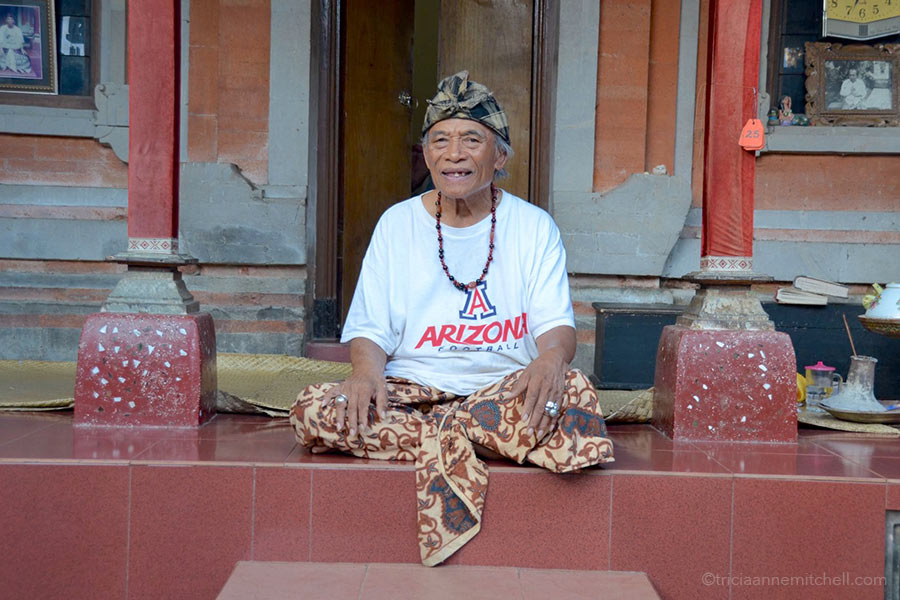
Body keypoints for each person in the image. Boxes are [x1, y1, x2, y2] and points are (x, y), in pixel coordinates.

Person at [290, 71, 614, 566]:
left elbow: (556, 325)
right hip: (416, 391)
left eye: (471, 140)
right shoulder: (398, 224)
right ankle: (476, 438)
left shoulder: (532, 227)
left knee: (573, 392)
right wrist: (364, 374)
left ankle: (445, 434)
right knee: (315, 409)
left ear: (499, 156)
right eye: (440, 140)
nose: (454, 153)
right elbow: (371, 327)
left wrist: (551, 359)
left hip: (505, 392)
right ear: (426, 154)